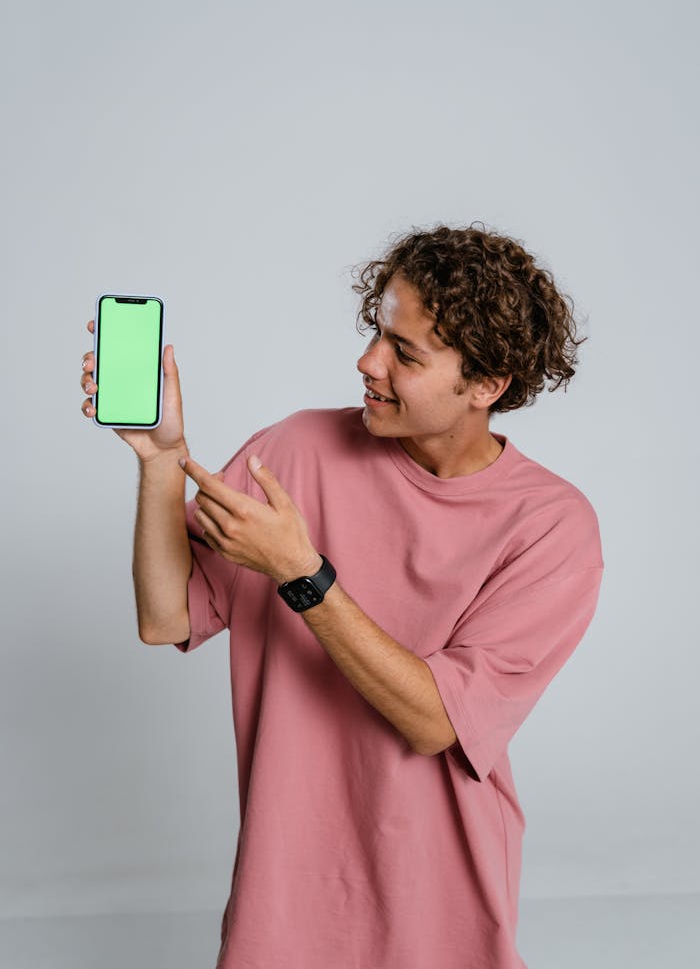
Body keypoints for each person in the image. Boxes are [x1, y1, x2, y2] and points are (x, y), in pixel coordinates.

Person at [80, 223, 604, 969]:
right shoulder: (296, 449)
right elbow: (167, 618)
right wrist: (163, 462)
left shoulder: (550, 526)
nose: (368, 363)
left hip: (443, 911)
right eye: (376, 332)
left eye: (405, 353)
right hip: (281, 904)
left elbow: (435, 723)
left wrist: (302, 573)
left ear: (487, 386)